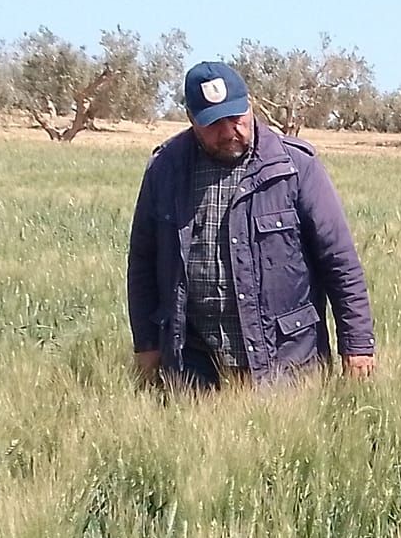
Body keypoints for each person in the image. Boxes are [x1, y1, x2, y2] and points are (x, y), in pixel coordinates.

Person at [127, 60, 375, 390]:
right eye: (214, 123)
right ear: (191, 120)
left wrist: (357, 344)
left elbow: (339, 260)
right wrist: (147, 343)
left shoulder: (295, 166)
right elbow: (143, 261)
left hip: (287, 362)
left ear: (250, 105)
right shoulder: (165, 169)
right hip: (194, 364)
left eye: (236, 117)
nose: (229, 130)